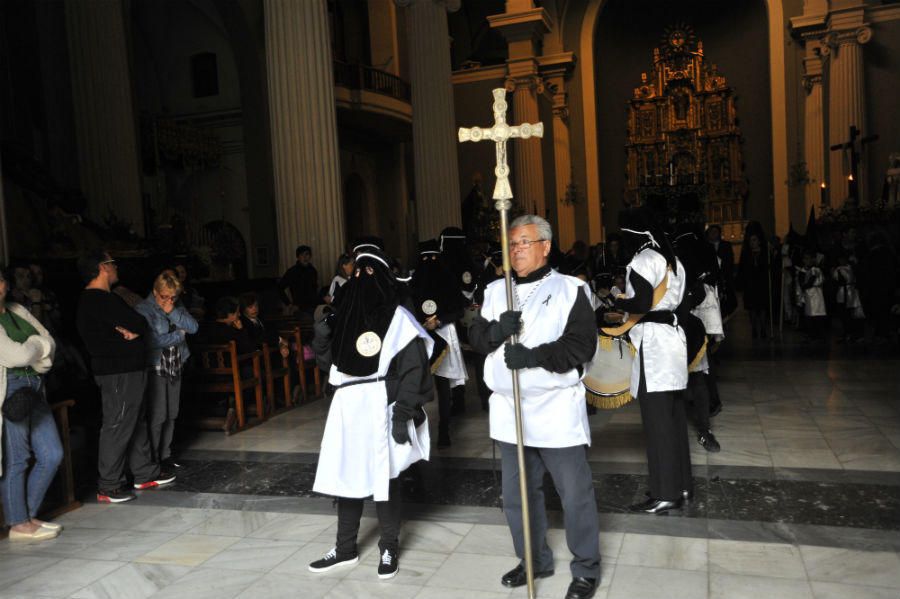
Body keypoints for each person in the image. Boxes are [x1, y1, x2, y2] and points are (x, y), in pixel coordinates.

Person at [469, 215, 601, 599]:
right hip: (510, 411)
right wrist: (495, 331)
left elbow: (580, 346)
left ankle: (586, 569)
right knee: (517, 496)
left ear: (545, 245)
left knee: (574, 494)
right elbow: (476, 335)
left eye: (524, 243)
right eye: (511, 244)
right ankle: (534, 560)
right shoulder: (496, 290)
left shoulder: (570, 289)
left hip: (555, 408)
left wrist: (532, 357)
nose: (516, 250)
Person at [309, 249, 434, 581]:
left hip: (383, 403)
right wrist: (322, 340)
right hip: (348, 407)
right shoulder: (344, 316)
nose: (362, 278)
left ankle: (389, 545)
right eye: (357, 272)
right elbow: (329, 367)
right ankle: (345, 548)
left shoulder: (399, 319)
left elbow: (413, 371)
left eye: (370, 272)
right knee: (346, 476)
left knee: (386, 478)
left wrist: (401, 415)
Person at [76, 251, 175, 503]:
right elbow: (137, 324)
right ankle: (108, 485)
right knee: (118, 424)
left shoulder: (108, 298)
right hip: (117, 373)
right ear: (102, 267)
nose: (116, 267)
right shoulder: (96, 300)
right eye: (112, 263)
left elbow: (138, 323)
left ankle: (144, 472)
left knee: (136, 421)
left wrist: (134, 331)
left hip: (128, 369)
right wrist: (134, 331)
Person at [613, 208, 690, 515]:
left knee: (657, 423)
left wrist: (618, 300)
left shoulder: (643, 260)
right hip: (673, 341)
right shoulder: (672, 260)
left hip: (655, 346)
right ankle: (681, 485)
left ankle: (664, 493)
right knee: (674, 419)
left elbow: (642, 303)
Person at [0, 269, 63, 541]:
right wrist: (36, 348)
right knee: (18, 459)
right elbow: (17, 356)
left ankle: (28, 516)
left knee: (52, 454)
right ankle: (18, 523)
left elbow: (49, 339)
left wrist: (35, 349)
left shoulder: (16, 308)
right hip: (10, 389)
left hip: (35, 385)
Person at [135, 271, 198, 467]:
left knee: (172, 412)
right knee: (158, 414)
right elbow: (152, 341)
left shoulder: (175, 306)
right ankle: (153, 457)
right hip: (156, 365)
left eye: (173, 297)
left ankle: (165, 455)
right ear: (155, 291)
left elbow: (194, 327)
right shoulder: (143, 309)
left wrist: (172, 312)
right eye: (164, 296)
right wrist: (180, 335)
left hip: (176, 362)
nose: (168, 300)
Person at [277, 245, 319, 317]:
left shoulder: (313, 270)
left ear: (310, 256)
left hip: (313, 307)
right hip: (299, 308)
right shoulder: (292, 272)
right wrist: (289, 304)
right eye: (302, 255)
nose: (305, 257)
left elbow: (314, 289)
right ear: (298, 257)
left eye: (307, 254)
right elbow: (279, 288)